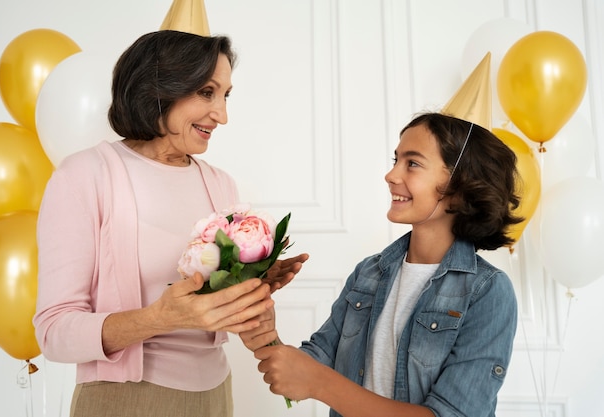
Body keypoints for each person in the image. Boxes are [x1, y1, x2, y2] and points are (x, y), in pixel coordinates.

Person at [33, 30, 308, 417]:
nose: (222, 115)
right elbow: (54, 333)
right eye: (207, 92)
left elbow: (213, 307)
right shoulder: (85, 175)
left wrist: (249, 290)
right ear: (160, 87)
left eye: (225, 95)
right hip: (124, 399)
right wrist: (157, 319)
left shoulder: (220, 183)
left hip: (214, 395)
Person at [241, 112, 522, 417]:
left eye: (412, 163)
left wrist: (319, 382)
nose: (391, 175)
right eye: (396, 160)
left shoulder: (488, 291)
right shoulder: (369, 273)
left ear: (459, 186)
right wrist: (265, 333)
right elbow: (316, 361)